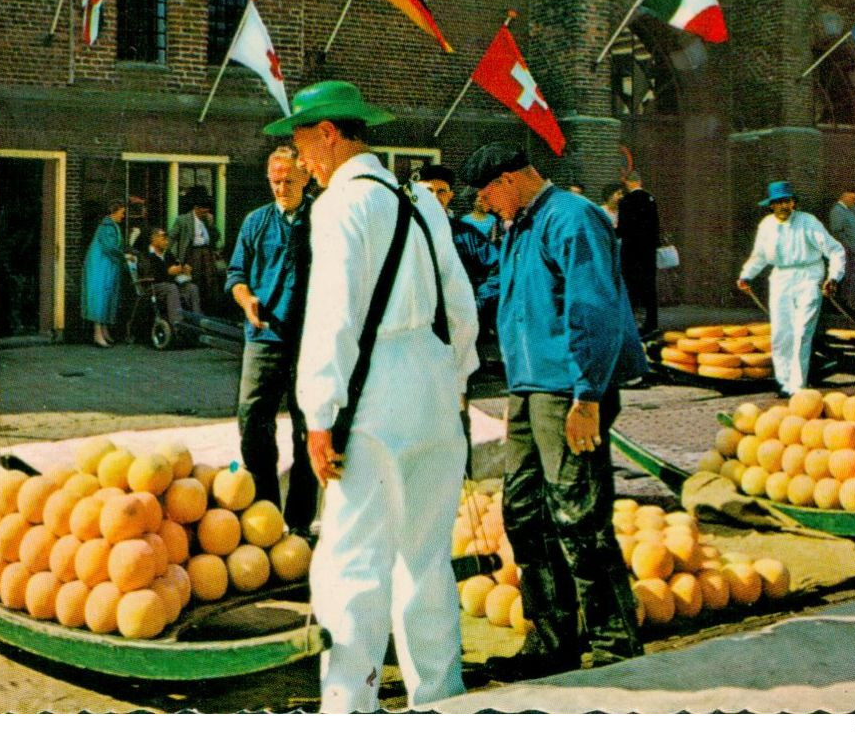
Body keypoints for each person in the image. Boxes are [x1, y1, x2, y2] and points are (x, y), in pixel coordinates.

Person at [267, 81, 478, 713]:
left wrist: (319, 414)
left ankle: (350, 708)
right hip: (436, 389)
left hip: (374, 394)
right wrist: (456, 382)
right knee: (427, 558)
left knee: (354, 561)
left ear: (329, 135)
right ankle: (440, 700)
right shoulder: (420, 202)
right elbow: (461, 307)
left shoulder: (340, 206)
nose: (301, 161)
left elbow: (333, 317)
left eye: (302, 144)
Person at [458, 143, 646, 678]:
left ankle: (615, 647)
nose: (486, 205)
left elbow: (594, 309)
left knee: (578, 516)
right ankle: (552, 639)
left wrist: (587, 397)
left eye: (489, 193)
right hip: (525, 387)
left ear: (512, 178)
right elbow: (504, 292)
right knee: (524, 513)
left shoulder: (572, 217)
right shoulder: (519, 226)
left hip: (567, 390)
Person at [225, 144, 319, 539]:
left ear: (307, 178)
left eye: (289, 182)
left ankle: (299, 522)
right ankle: (265, 515)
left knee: (308, 428)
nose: (281, 189)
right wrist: (247, 301)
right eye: (275, 182)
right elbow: (236, 275)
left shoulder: (322, 219)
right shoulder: (256, 222)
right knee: (252, 420)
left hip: (310, 341)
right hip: (264, 337)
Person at [738, 181, 846, 397]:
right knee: (781, 333)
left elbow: (835, 250)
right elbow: (759, 256)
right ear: (771, 206)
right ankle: (784, 383)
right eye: (778, 203)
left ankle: (798, 385)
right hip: (780, 278)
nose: (783, 206)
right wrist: (746, 275)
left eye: (787, 201)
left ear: (794, 203)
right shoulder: (766, 225)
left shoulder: (808, 222)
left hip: (808, 277)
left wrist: (833, 276)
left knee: (802, 331)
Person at [419, 164, 498, 343]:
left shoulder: (467, 235)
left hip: (457, 331)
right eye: (428, 190)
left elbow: (499, 267)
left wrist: (477, 303)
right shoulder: (401, 233)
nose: (434, 197)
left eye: (441, 191)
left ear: (450, 196)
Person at [615, 172, 661, 336]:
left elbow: (622, 229)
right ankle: (652, 323)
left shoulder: (626, 201)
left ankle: (630, 323)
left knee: (630, 288)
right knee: (649, 288)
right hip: (648, 252)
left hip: (631, 252)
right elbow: (655, 228)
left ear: (628, 182)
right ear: (640, 181)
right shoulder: (651, 199)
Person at [82, 200, 127, 347]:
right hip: (100, 267)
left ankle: (103, 330)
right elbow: (110, 247)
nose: (123, 216)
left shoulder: (111, 226)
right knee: (100, 298)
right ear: (114, 212)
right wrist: (125, 256)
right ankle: (97, 334)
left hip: (107, 266)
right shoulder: (107, 227)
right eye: (122, 212)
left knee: (106, 297)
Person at [169, 186, 221, 311]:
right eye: (203, 210)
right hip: (192, 253)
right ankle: (194, 308)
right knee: (195, 279)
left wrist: (211, 224)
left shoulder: (207, 220)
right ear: (196, 208)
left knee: (208, 281)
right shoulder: (183, 220)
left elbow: (216, 237)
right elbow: (171, 237)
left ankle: (207, 307)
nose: (205, 213)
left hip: (207, 252)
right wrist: (171, 256)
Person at [137, 227, 202, 326]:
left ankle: (198, 322)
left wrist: (184, 270)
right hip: (153, 287)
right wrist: (168, 272)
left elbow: (177, 267)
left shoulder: (168, 254)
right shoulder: (146, 255)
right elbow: (151, 275)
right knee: (171, 288)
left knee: (192, 288)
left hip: (171, 285)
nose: (167, 242)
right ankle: (178, 325)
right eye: (164, 239)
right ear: (153, 239)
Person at [827, 188, 855, 308]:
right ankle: (840, 307)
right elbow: (837, 232)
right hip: (846, 251)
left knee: (850, 279)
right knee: (844, 279)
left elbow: (849, 227)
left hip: (852, 251)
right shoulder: (838, 211)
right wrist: (848, 247)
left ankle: (847, 305)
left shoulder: (847, 211)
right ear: (844, 197)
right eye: (852, 198)